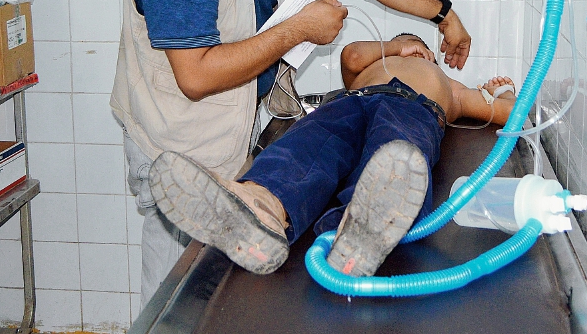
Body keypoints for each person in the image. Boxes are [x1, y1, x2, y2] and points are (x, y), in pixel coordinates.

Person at [111, 0, 473, 302]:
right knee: (176, 303)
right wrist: (296, 30)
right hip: (180, 150)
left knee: (226, 294)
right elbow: (194, 76)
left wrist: (441, 13)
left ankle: (336, 223)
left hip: (238, 141)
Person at [149, 33, 517, 277]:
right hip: (347, 103)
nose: (415, 50)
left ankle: (359, 232)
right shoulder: (373, 62)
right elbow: (353, 54)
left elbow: (509, 115)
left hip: (413, 109)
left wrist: (501, 92)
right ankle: (260, 206)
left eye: (421, 48)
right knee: (308, 147)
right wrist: (393, 45)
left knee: (395, 155)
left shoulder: (449, 86)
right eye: (408, 42)